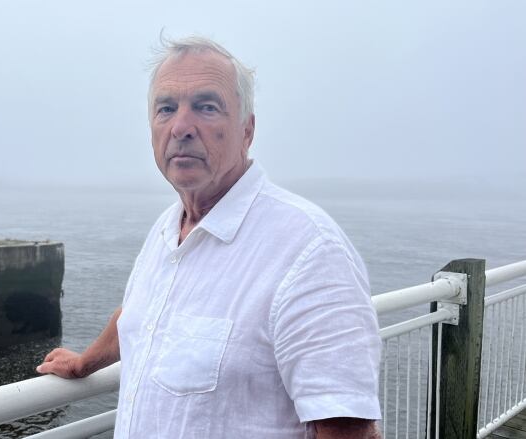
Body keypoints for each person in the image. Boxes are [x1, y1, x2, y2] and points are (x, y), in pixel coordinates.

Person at [36, 35, 382, 439]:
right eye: (166, 108)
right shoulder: (168, 229)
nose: (181, 127)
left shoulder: (308, 250)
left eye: (206, 106)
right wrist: (84, 364)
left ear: (246, 130)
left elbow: (347, 427)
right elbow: (139, 316)